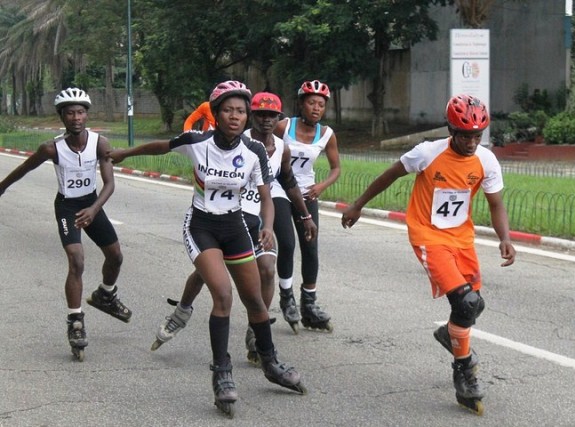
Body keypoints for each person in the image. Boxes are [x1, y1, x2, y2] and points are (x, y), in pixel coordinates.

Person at [108, 81, 306, 418]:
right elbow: (161, 146)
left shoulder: (253, 151)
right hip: (200, 226)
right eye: (228, 110)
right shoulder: (197, 143)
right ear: (215, 114)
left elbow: (267, 196)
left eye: (241, 111)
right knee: (223, 296)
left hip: (235, 226)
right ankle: (221, 373)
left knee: (256, 299)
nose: (235, 116)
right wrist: (124, 154)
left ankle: (270, 362)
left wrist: (269, 227)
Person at [340, 94, 516, 415]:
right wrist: (358, 204)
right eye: (465, 135)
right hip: (427, 234)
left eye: (478, 136)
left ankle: (449, 335)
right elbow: (390, 175)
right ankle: (463, 373)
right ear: (451, 130)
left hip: (462, 238)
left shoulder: (486, 161)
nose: (472, 142)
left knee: (474, 305)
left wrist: (505, 238)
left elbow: (496, 204)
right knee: (465, 303)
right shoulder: (428, 152)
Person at [151, 91, 318, 362]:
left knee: (266, 269)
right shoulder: (238, 139)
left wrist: (304, 216)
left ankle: (255, 332)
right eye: (260, 115)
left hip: (258, 220)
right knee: (207, 274)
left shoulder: (281, 148)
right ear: (252, 115)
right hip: (231, 217)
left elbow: (287, 182)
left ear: (279, 118)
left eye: (271, 116)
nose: (266, 121)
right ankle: (181, 312)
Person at [0, 87, 131, 362]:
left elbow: (109, 184)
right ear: (62, 116)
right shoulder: (51, 147)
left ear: (87, 115)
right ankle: (75, 321)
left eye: (81, 112)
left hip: (92, 204)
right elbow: (23, 169)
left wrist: (94, 210)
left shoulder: (100, 143)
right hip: (67, 206)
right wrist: (2, 187)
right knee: (77, 260)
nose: (76, 118)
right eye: (70, 113)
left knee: (116, 256)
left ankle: (106, 295)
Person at [272, 80, 341, 333]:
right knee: (287, 243)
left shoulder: (327, 134)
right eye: (311, 102)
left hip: (307, 192)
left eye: (321, 105)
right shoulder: (283, 126)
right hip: (280, 188)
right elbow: (266, 151)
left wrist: (321, 186)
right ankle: (286, 296)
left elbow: (336, 168)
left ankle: (309, 304)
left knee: (310, 246)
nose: (316, 108)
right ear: (301, 103)